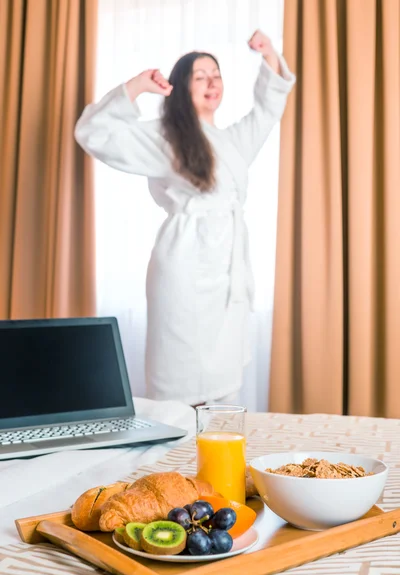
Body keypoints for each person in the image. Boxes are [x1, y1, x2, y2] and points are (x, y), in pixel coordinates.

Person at [75, 30, 296, 406]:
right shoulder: (166, 137)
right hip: (182, 267)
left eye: (216, 74)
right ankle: (172, 455)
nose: (212, 82)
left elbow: (267, 109)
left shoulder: (232, 142)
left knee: (223, 382)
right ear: (181, 88)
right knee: (180, 374)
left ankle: (217, 457)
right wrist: (137, 86)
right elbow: (95, 133)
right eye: (200, 76)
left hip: (226, 271)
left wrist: (269, 52)